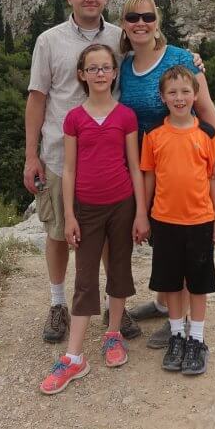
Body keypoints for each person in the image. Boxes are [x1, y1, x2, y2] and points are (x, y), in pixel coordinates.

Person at [24, 0, 141, 343]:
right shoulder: (49, 41)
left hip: (108, 160)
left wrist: (192, 60)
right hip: (60, 157)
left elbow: (154, 49)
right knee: (58, 233)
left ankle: (113, 307)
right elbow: (37, 97)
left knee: (108, 236)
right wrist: (31, 156)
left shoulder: (118, 38)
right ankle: (58, 304)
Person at [116, 0, 215, 349]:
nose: (141, 24)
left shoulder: (180, 58)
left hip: (182, 157)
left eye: (148, 17)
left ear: (157, 22)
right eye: (133, 18)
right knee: (161, 238)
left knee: (180, 236)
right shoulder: (125, 66)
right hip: (145, 163)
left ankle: (176, 323)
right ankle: (165, 303)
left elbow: (206, 108)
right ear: (124, 24)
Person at [38, 44, 149, 394]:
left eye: (106, 68)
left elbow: (134, 166)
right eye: (93, 68)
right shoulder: (74, 119)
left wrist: (141, 213)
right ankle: (74, 357)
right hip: (86, 207)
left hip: (122, 205)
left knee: (118, 268)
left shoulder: (126, 116)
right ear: (82, 75)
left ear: (115, 73)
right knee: (85, 277)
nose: (100, 74)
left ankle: (113, 333)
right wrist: (69, 214)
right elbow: (68, 170)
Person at [141, 65, 215, 376]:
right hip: (164, 220)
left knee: (198, 283)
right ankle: (176, 336)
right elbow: (148, 177)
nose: (179, 98)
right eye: (172, 92)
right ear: (162, 97)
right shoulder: (154, 136)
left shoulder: (208, 134)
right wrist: (144, 214)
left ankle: (197, 339)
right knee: (171, 282)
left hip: (200, 219)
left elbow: (213, 180)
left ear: (195, 94)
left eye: (185, 91)